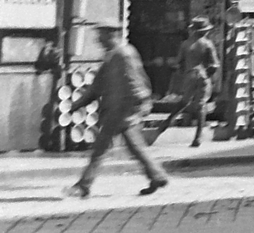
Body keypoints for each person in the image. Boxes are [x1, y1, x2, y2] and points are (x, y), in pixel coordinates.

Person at [68, 23, 169, 198]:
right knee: (135, 147)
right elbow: (97, 85)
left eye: (101, 34)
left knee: (100, 149)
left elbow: (136, 82)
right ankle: (157, 175)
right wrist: (78, 104)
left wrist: (142, 104)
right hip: (116, 109)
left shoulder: (124, 54)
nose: (98, 39)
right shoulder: (112, 55)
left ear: (112, 34)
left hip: (121, 109)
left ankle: (83, 185)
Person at [154, 17, 220, 148]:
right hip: (202, 75)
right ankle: (198, 138)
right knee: (201, 106)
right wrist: (207, 75)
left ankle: (166, 123)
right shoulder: (207, 44)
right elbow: (215, 65)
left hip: (190, 75)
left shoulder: (185, 44)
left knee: (184, 102)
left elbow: (179, 63)